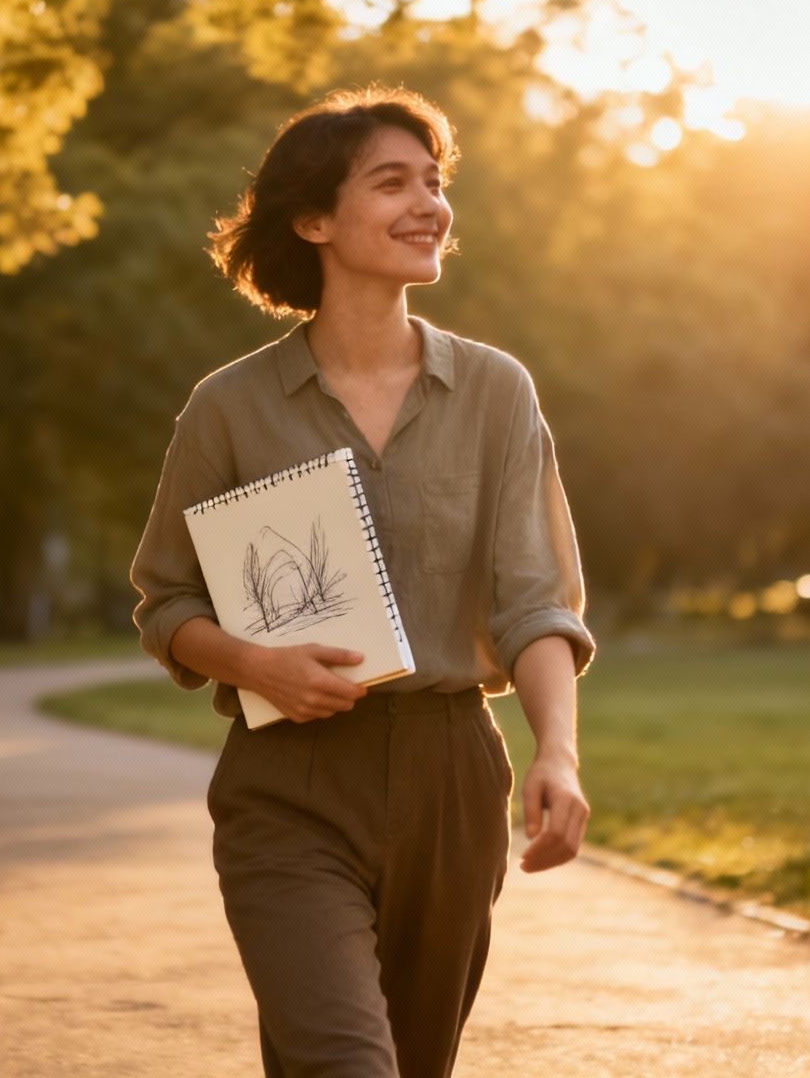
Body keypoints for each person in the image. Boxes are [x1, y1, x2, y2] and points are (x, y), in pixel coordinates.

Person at [128, 83, 596, 1078]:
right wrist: (256, 663)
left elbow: (534, 601)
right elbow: (165, 602)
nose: (428, 204)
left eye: (433, 182)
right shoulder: (230, 408)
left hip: (451, 783)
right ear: (313, 219)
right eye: (392, 184)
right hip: (290, 786)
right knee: (345, 1061)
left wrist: (556, 753)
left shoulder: (494, 393)